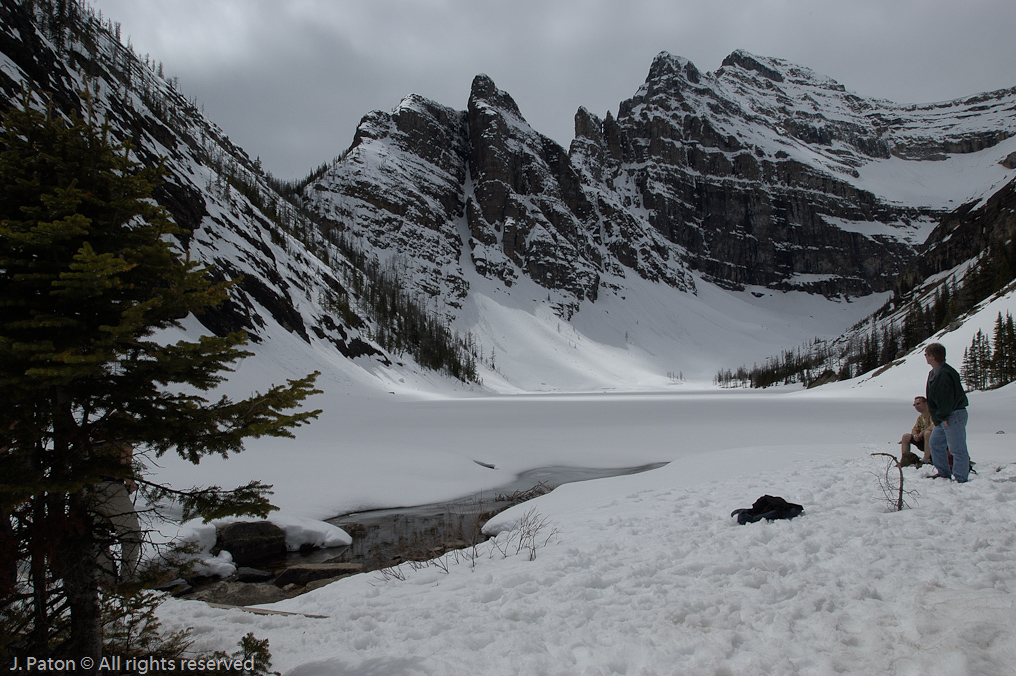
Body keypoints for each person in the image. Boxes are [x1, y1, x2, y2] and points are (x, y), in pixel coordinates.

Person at [90, 424, 143, 582]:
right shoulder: (121, 442)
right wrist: (131, 483)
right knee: (131, 535)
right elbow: (123, 464)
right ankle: (127, 579)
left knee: (97, 535)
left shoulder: (93, 441)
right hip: (112, 489)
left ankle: (105, 578)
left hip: (90, 490)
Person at [924, 343, 970, 482]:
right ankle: (943, 473)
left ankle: (961, 478)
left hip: (952, 415)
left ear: (932, 356)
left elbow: (947, 397)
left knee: (957, 448)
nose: (925, 357)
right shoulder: (934, 372)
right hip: (942, 417)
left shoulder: (946, 373)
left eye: (926, 354)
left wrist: (943, 416)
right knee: (935, 444)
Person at [900, 396, 933, 467]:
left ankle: (926, 460)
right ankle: (905, 459)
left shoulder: (933, 414)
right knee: (906, 436)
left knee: (928, 433)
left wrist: (922, 433)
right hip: (923, 441)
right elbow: (915, 429)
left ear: (926, 404)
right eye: (914, 405)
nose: (916, 406)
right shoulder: (920, 418)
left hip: (933, 441)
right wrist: (915, 435)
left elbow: (934, 425)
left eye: (918, 404)